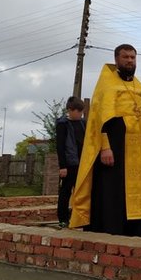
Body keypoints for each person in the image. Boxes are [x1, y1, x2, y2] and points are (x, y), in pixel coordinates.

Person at [70, 44, 141, 236]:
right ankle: (109, 229)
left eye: (133, 57)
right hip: (114, 145)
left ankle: (134, 231)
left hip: (137, 149)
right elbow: (100, 119)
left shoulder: (140, 86)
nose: (130, 61)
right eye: (126, 57)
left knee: (135, 191)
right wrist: (105, 147)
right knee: (112, 188)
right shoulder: (107, 84)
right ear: (116, 59)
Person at [55, 96, 86, 229]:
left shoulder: (83, 123)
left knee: (81, 191)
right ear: (70, 110)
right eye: (77, 111)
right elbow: (60, 146)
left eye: (81, 111)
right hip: (69, 163)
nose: (80, 114)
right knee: (66, 191)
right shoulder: (63, 124)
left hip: (82, 162)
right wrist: (63, 166)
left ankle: (78, 217)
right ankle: (63, 218)